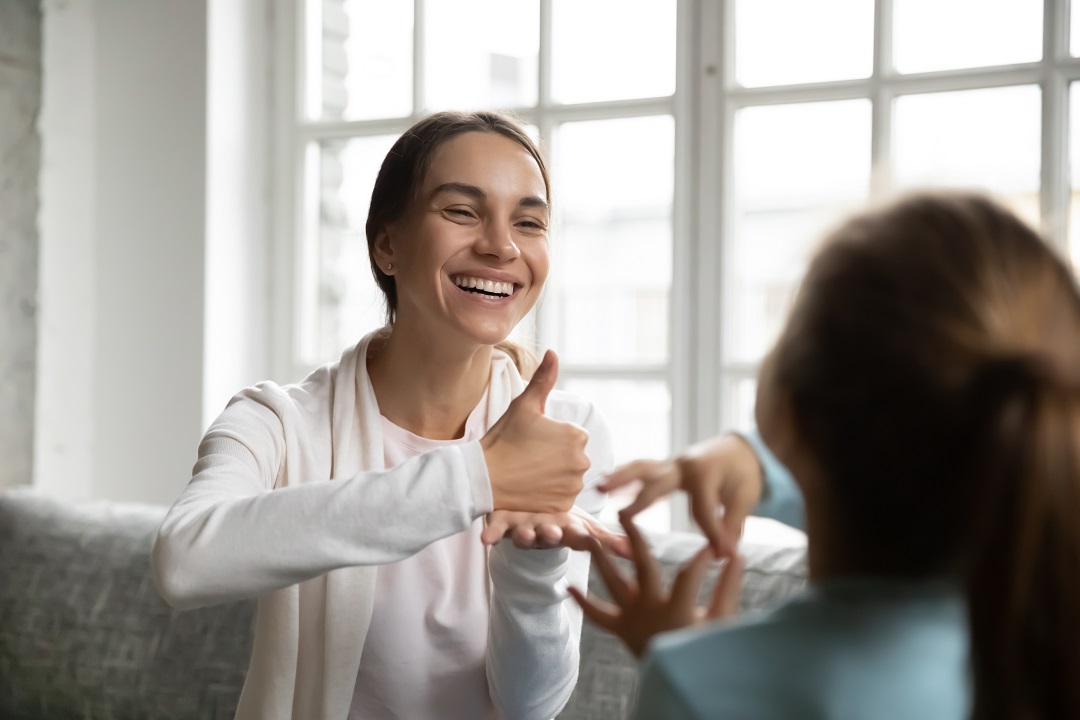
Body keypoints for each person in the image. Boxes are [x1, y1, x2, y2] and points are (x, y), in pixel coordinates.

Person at [151, 110, 626, 720]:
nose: (501, 245)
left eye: (528, 222)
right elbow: (184, 560)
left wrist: (533, 572)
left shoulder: (563, 433)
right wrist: (475, 478)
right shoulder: (276, 423)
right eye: (461, 210)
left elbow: (532, 704)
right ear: (387, 244)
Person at [574, 192, 1080, 719]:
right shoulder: (1046, 653)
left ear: (787, 415)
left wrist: (681, 656)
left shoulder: (700, 683)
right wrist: (761, 465)